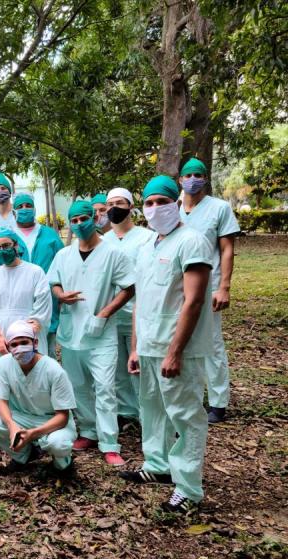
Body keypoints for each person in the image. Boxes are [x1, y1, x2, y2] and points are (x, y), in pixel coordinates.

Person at [120, 175, 214, 514]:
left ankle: (188, 487)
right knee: (152, 409)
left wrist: (175, 351)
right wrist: (134, 347)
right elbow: (140, 300)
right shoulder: (147, 247)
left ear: (177, 203)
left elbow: (194, 301)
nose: (156, 208)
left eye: (163, 201)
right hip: (148, 344)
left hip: (177, 348)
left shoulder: (192, 242)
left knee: (185, 415)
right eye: (149, 202)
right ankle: (157, 464)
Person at [47, 200, 135, 466]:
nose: (78, 224)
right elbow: (55, 282)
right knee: (78, 386)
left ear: (95, 219)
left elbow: (129, 287)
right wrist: (61, 296)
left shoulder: (113, 253)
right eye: (73, 221)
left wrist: (105, 313)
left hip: (101, 333)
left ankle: (110, 443)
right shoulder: (64, 254)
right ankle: (88, 431)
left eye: (83, 218)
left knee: (106, 388)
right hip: (71, 331)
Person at [178, 157, 240, 423]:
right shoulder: (175, 209)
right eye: (188, 175)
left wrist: (224, 286)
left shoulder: (219, 208)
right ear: (180, 180)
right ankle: (190, 395)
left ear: (205, 178)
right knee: (181, 341)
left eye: (198, 175)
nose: (193, 179)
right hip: (178, 288)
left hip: (209, 286)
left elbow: (226, 249)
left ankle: (218, 402)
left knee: (211, 343)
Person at [0, 320, 77, 475]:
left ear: (35, 343)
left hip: (52, 420)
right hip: (22, 417)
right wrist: (12, 425)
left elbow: (63, 416)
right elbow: (1, 401)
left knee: (58, 443)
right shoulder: (4, 363)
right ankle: (23, 456)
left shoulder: (53, 370)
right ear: (8, 347)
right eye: (14, 345)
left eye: (24, 342)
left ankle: (63, 465)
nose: (19, 348)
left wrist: (33, 433)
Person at [0, 228, 52, 400]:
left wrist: (30, 329)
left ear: (16, 245)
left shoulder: (35, 272)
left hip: (27, 329)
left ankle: (32, 413)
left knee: (30, 375)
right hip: (0, 330)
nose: (2, 250)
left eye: (6, 245)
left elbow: (43, 301)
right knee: (1, 377)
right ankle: (3, 416)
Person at [102, 188, 157, 422]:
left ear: (131, 207)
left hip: (140, 313)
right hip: (113, 314)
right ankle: (127, 411)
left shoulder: (147, 238)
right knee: (117, 369)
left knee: (140, 366)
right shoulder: (103, 241)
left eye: (120, 202)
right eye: (110, 203)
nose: (114, 207)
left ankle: (150, 415)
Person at [13, 193, 65, 357]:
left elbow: (63, 266)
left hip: (47, 299)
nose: (24, 209)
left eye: (28, 205)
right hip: (17, 300)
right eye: (20, 206)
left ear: (35, 209)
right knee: (19, 349)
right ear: (14, 211)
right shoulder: (8, 236)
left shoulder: (49, 235)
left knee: (46, 353)